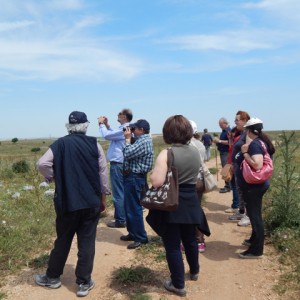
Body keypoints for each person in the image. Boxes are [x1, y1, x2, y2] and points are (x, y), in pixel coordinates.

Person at [34, 111, 110, 297]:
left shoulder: (60, 144)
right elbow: (102, 173)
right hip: (91, 201)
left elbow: (42, 163)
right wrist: (103, 197)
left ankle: (52, 278)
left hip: (67, 202)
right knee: (86, 242)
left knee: (63, 239)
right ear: (86, 126)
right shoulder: (95, 144)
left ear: (69, 126)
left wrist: (52, 176)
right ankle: (84, 282)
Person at [147, 115, 210, 297]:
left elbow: (157, 181)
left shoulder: (167, 153)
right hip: (191, 201)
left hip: (173, 203)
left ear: (168, 132)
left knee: (173, 245)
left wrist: (153, 175)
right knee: (190, 239)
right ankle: (195, 271)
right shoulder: (195, 151)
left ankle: (178, 283)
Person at [236, 117, 275, 259]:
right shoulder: (261, 142)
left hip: (253, 187)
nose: (245, 131)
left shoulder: (255, 145)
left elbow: (257, 165)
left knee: (255, 216)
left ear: (250, 130)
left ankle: (256, 250)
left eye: (246, 129)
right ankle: (254, 239)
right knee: (254, 214)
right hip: (255, 186)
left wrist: (245, 153)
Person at [120, 119, 154, 249]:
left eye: (134, 129)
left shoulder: (144, 141)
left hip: (135, 177)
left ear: (142, 130)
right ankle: (133, 233)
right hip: (132, 177)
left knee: (134, 208)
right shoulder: (140, 140)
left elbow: (127, 153)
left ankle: (141, 237)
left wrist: (128, 139)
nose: (132, 131)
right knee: (129, 207)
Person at [98, 109, 133, 228]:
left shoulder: (125, 128)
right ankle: (123, 216)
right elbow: (114, 134)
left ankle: (120, 220)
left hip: (118, 163)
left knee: (118, 193)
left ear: (124, 116)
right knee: (122, 191)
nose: (117, 115)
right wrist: (107, 125)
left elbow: (107, 136)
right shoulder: (125, 128)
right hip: (123, 163)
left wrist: (101, 124)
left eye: (119, 114)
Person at [229, 111, 251, 227]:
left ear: (245, 121)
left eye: (237, 120)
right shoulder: (242, 133)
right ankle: (242, 212)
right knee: (240, 191)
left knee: (246, 192)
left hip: (244, 169)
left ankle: (248, 216)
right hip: (238, 167)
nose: (235, 122)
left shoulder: (249, 134)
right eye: (235, 120)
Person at [189, 120, 207, 253]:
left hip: (190, 182)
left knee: (189, 212)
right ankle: (199, 239)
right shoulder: (200, 144)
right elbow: (205, 159)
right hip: (200, 181)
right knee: (197, 209)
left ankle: (197, 239)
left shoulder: (188, 145)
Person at [214, 117, 231, 193]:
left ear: (225, 123)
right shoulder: (224, 131)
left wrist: (219, 141)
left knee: (225, 170)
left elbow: (229, 142)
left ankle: (228, 186)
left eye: (220, 124)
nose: (219, 126)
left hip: (226, 153)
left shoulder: (228, 131)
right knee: (225, 169)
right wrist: (217, 142)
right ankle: (228, 185)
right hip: (223, 152)